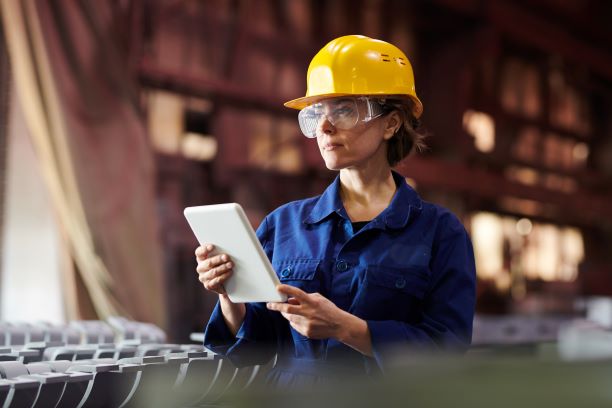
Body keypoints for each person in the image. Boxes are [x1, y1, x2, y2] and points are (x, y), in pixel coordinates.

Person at [195, 35, 476, 384]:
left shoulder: (440, 232)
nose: (324, 127)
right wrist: (229, 295)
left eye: (344, 109)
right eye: (316, 113)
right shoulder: (283, 225)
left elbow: (446, 351)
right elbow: (257, 347)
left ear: (391, 123)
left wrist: (349, 329)